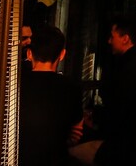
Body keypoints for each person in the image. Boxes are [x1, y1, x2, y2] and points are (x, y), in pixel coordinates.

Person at [72, 14, 136, 166]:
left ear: (125, 38)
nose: (109, 41)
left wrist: (94, 119)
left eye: (112, 36)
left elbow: (119, 112)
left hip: (127, 150)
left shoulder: (129, 68)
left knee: (72, 155)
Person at [19, 25, 83, 166]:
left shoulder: (15, 85)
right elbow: (76, 133)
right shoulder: (72, 88)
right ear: (62, 54)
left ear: (29, 54)